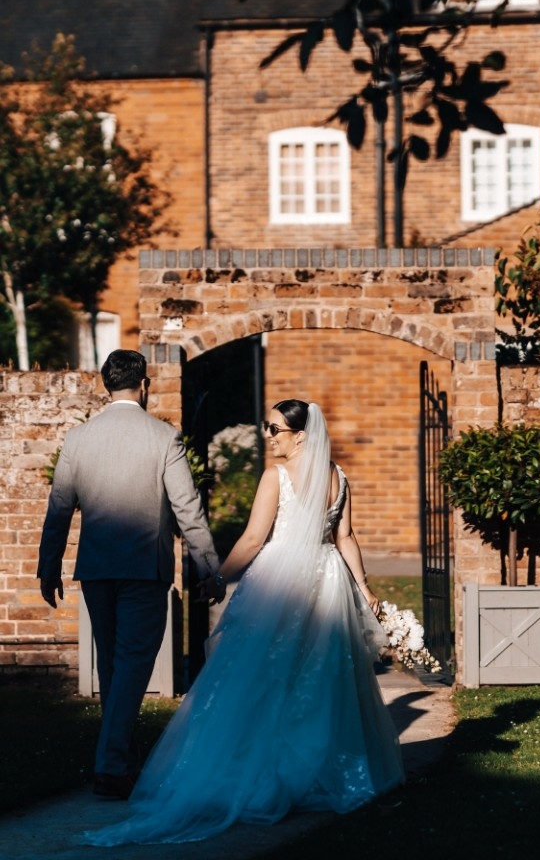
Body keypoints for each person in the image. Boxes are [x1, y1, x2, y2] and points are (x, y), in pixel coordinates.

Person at [84, 398, 405, 846]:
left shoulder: (277, 477)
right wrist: (363, 587)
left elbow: (254, 539)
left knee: (263, 677)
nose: (267, 436)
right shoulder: (339, 476)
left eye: (275, 429)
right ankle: (311, 772)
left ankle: (269, 776)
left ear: (301, 436)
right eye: (266, 427)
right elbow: (344, 537)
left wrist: (218, 576)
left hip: (281, 583)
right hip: (327, 579)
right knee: (316, 680)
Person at [38, 349, 226, 801]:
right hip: (144, 568)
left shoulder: (79, 438)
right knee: (132, 666)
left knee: (112, 666)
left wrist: (48, 566)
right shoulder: (164, 437)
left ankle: (119, 757)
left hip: (97, 569)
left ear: (106, 385)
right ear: (144, 385)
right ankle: (110, 766)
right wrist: (209, 567)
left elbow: (59, 509)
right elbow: (187, 509)